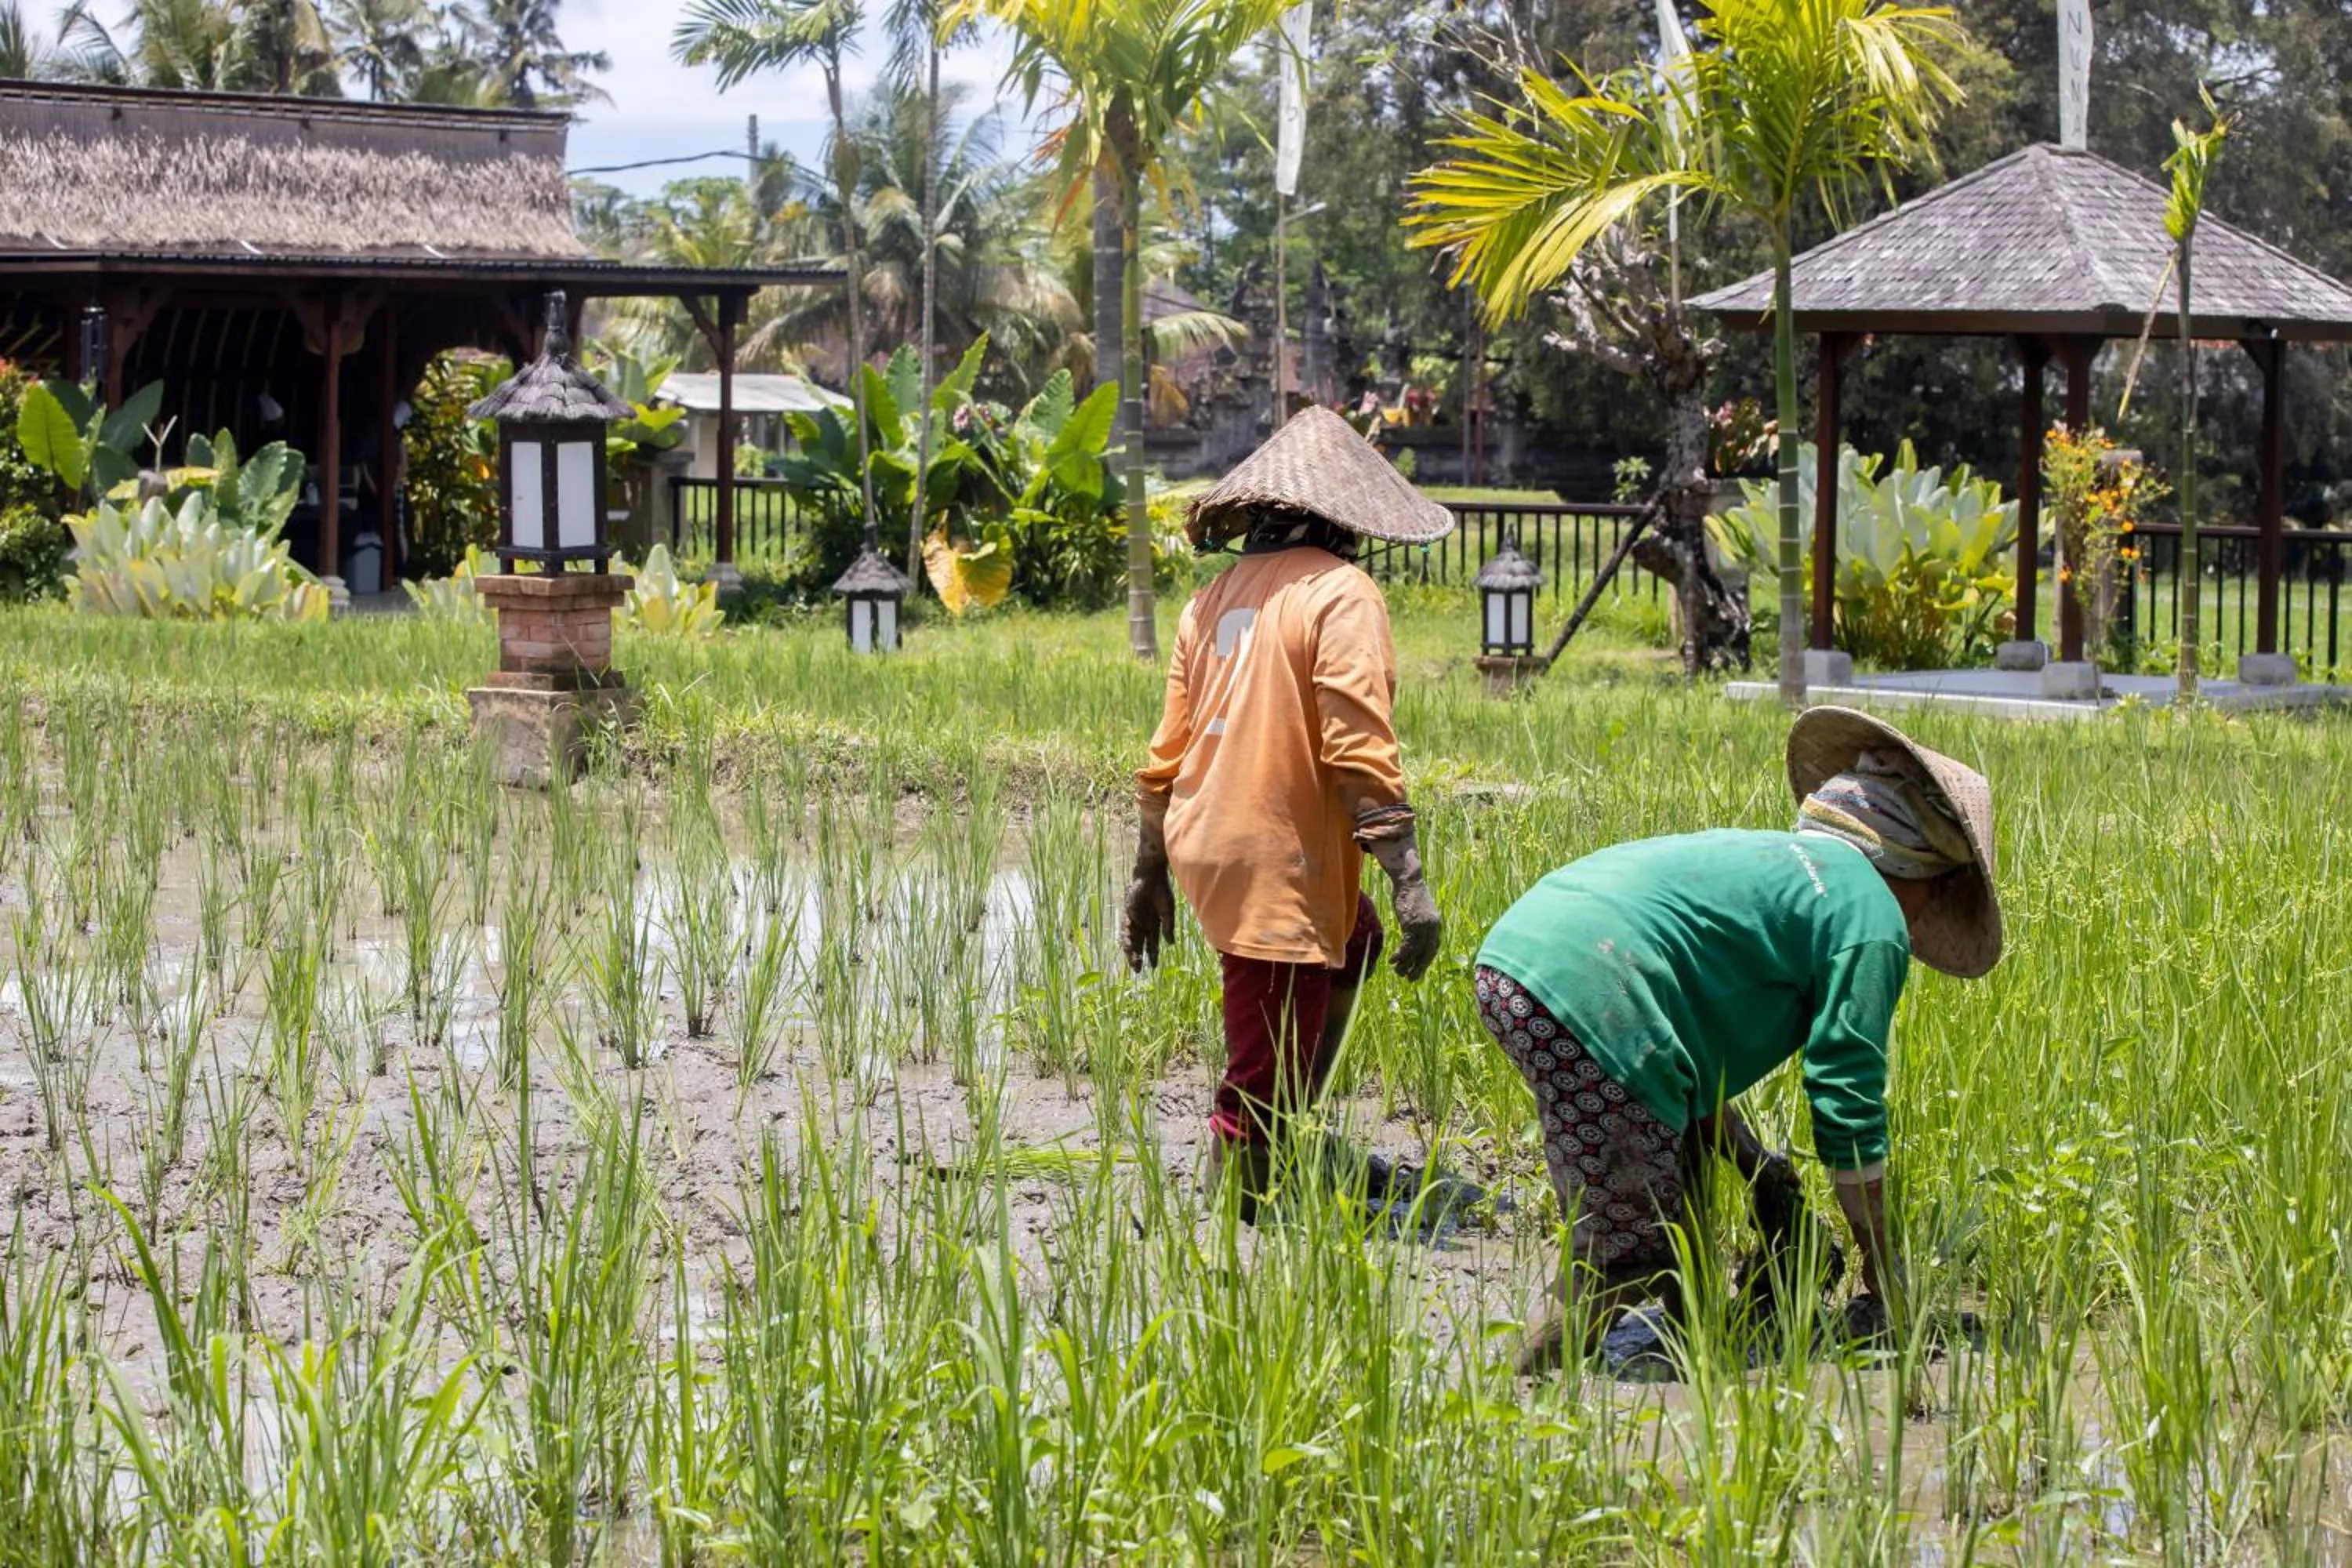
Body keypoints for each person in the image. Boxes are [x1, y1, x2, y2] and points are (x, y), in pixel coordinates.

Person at [1474, 706, 2002, 1372]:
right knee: (1628, 1257)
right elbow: (1846, 1092)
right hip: (1592, 992)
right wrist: (1882, 1261)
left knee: (1675, 1195)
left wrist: (1757, 1165)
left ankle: (1695, 1343)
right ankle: (1511, 1393)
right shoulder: (1870, 917)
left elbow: (1679, 1055)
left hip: (1524, 962)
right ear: (1929, 876)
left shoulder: (1775, 864)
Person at [1122, 408, 1452, 1218]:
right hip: (1276, 856)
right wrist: (1411, 883)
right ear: (1345, 520)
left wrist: (1148, 871)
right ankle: (1242, 1208)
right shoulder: (1342, 592)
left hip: (1206, 836)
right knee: (1260, 1063)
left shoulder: (1213, 596)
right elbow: (1357, 747)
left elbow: (1168, 747)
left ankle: (1286, 1124)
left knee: (1354, 943)